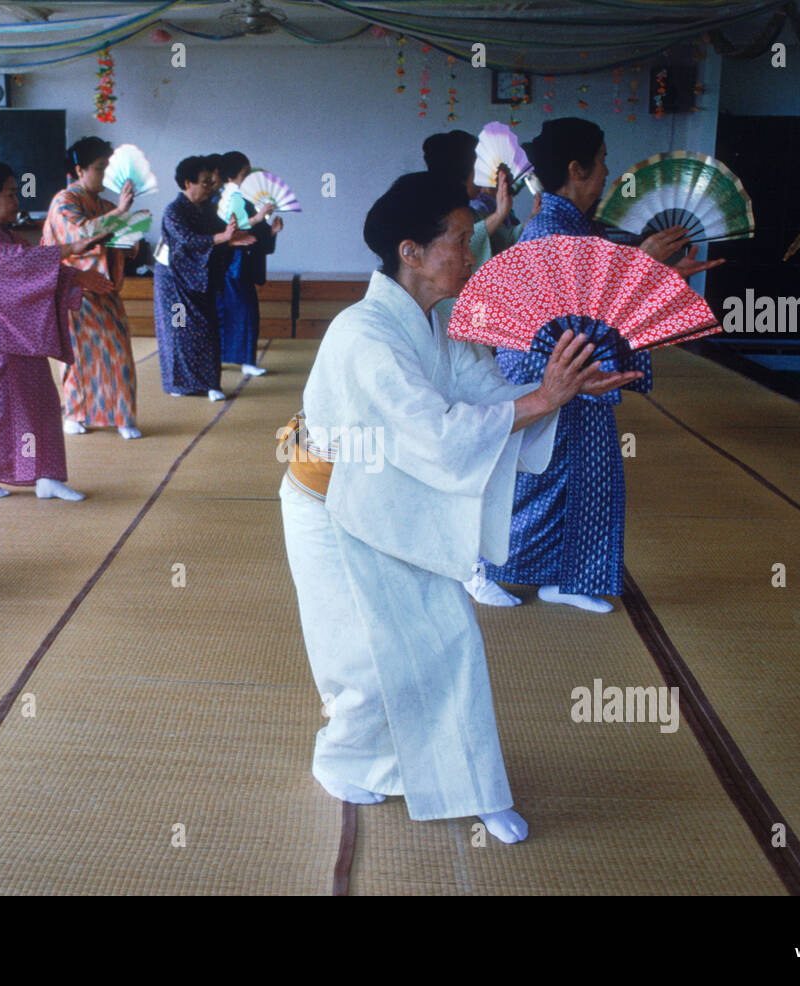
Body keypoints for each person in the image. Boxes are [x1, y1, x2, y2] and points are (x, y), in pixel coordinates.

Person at [279, 171, 643, 843]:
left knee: (447, 640)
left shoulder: (446, 320)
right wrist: (542, 399)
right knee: (357, 654)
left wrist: (556, 389)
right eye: (458, 238)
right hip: (330, 507)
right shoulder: (364, 334)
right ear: (410, 251)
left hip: (395, 501)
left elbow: (484, 396)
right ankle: (348, 760)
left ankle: (470, 782)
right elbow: (441, 433)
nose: (472, 251)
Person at [465, 118, 722, 613]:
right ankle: (481, 564)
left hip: (578, 366)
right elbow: (578, 310)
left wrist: (656, 272)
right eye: (602, 162)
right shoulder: (547, 229)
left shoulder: (576, 226)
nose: (608, 173)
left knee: (588, 476)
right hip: (546, 371)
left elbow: (602, 301)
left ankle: (566, 578)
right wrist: (642, 265)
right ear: (576, 169)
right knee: (537, 482)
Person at [0, 161, 114, 501]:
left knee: (40, 401)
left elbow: (31, 265)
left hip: (14, 330)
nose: (17, 201)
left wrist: (77, 276)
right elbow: (21, 265)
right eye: (11, 195)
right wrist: (71, 251)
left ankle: (46, 475)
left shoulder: (4, 236)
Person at [41, 136, 141, 440]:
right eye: (100, 168)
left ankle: (121, 414)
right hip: (74, 288)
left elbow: (127, 244)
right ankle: (75, 412)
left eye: (109, 168)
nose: (106, 174)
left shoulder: (106, 204)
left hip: (105, 288)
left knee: (117, 353)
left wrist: (130, 234)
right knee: (78, 355)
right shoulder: (64, 200)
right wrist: (119, 215)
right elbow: (78, 235)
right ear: (79, 169)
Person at [153, 155, 255, 401]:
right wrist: (223, 238)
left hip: (200, 276)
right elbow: (187, 240)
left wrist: (231, 238)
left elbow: (220, 233)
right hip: (173, 278)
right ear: (188, 183)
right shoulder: (174, 211)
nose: (211, 187)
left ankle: (210, 383)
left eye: (212, 182)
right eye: (205, 182)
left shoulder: (207, 208)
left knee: (208, 328)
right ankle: (179, 383)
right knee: (178, 329)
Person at [422, 129, 538, 269]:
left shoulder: (472, 212)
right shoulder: (437, 213)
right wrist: (498, 215)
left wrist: (533, 218)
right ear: (461, 174)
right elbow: (463, 244)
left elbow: (508, 239)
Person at [215, 150, 282, 378]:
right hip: (232, 264)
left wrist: (271, 231)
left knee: (245, 313)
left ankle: (244, 359)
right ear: (232, 176)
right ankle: (241, 360)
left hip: (243, 265)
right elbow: (231, 228)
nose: (248, 177)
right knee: (238, 313)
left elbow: (258, 236)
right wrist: (257, 217)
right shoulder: (227, 197)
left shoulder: (245, 198)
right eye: (245, 173)